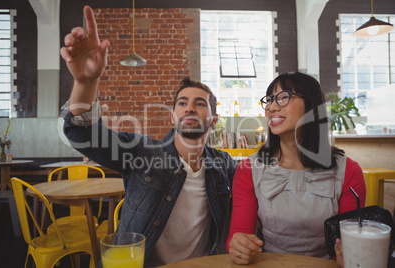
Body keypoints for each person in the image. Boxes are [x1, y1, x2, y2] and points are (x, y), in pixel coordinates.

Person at [59, 5, 236, 267]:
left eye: (200, 104)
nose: (189, 107)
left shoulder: (224, 166)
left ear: (213, 119)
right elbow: (83, 134)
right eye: (182, 103)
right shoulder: (142, 151)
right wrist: (86, 83)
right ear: (172, 117)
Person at [226, 72, 366, 267]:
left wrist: (351, 257)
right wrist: (240, 246)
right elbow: (241, 239)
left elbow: (347, 247)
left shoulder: (348, 171)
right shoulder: (249, 169)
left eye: (284, 97)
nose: (271, 107)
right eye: (269, 99)